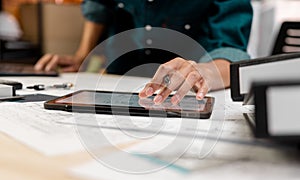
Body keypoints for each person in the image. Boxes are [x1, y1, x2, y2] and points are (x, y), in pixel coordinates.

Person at [35, 0, 253, 104]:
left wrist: (204, 72)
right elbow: (98, 9)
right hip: (116, 87)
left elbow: (231, 51)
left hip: (183, 99)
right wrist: (81, 56)